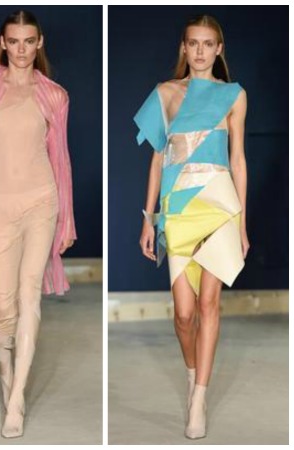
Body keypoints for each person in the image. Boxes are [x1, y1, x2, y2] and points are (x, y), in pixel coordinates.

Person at [0, 10, 76, 438]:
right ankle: (6, 372)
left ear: (39, 42)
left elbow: (61, 159)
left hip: (41, 201)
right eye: (14, 41)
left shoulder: (54, 96)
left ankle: (17, 397)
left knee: (30, 296)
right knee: (2, 304)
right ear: (3, 43)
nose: (22, 49)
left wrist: (66, 220)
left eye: (29, 41)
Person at [135, 14, 248, 440]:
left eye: (208, 43)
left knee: (208, 305)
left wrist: (242, 223)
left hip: (219, 204)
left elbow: (238, 159)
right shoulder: (165, 93)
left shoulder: (234, 95)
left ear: (219, 49)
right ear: (184, 47)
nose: (200, 51)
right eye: (193, 43)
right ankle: (192, 373)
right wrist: (148, 219)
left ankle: (199, 399)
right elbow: (157, 159)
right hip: (178, 207)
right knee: (183, 314)